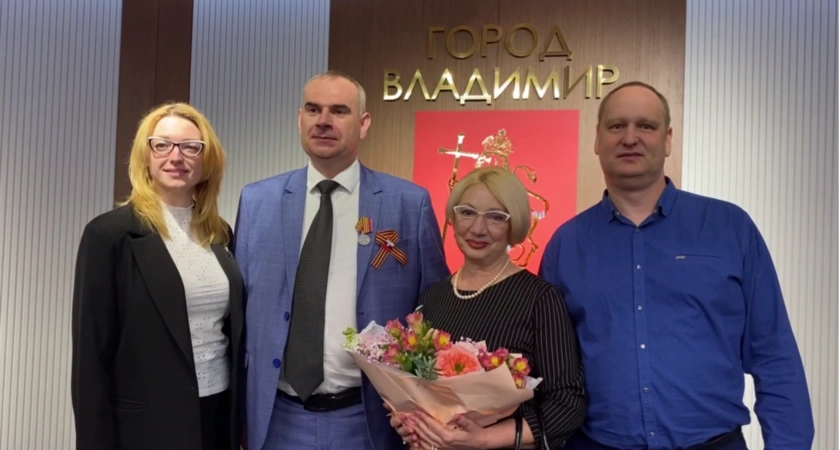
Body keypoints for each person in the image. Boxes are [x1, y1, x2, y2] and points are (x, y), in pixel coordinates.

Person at [539, 81, 814, 450]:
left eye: (646, 126)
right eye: (617, 126)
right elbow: (549, 369)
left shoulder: (730, 227)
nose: (630, 138)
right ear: (597, 139)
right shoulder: (566, 244)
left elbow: (774, 354)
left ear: (667, 139)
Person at [233, 70, 450, 450]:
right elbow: (237, 311)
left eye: (339, 111)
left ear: (363, 123)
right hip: (277, 418)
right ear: (299, 119)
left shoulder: (408, 203)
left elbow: (436, 309)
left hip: (370, 420)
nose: (323, 121)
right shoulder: (257, 201)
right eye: (313, 109)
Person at [71, 102, 245, 450]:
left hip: (218, 413)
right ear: (145, 156)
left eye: (191, 147)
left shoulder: (219, 233)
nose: (176, 157)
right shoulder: (110, 235)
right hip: (148, 425)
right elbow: (91, 359)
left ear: (207, 161)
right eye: (162, 145)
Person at [390, 167, 586, 450]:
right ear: (453, 217)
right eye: (467, 212)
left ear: (514, 224)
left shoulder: (539, 299)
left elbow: (567, 403)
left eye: (495, 217)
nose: (478, 228)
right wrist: (409, 420)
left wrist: (483, 439)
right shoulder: (432, 296)